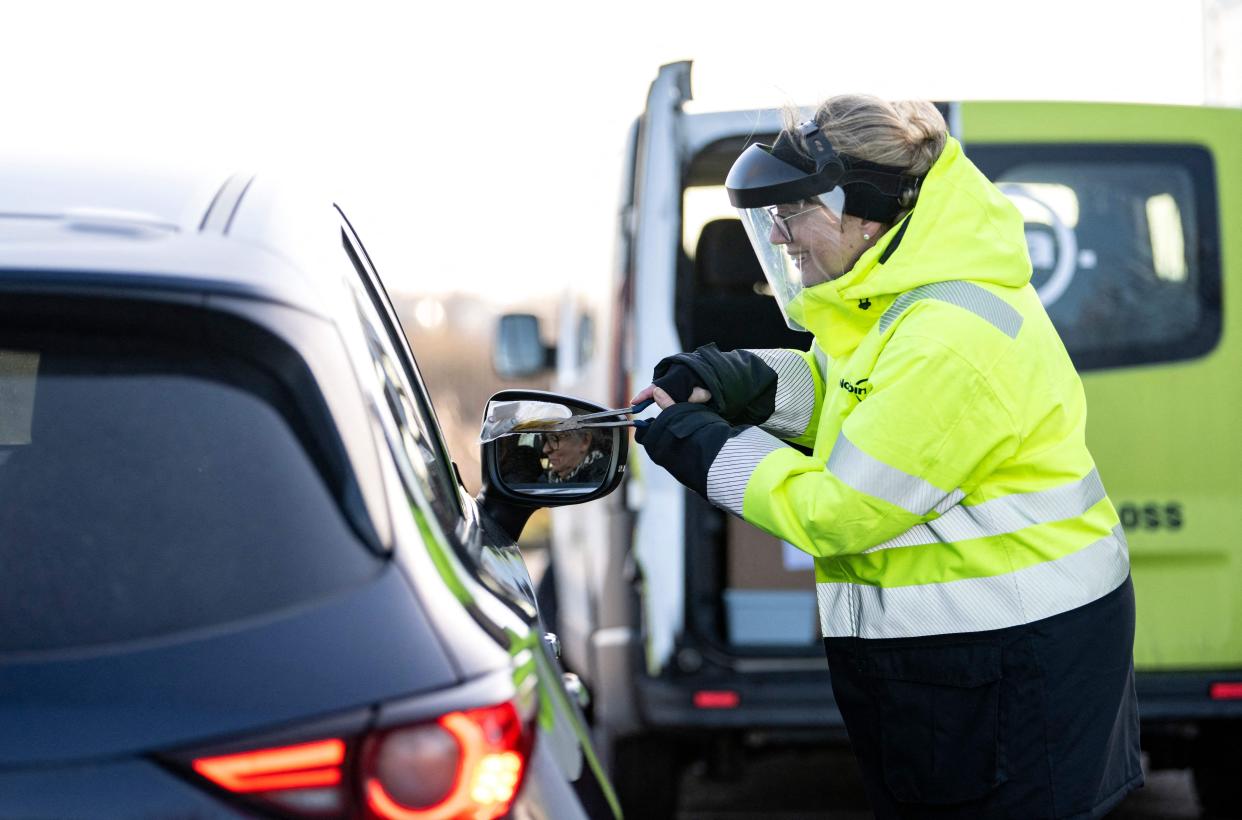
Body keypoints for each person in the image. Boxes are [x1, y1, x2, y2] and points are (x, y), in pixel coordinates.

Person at [632, 96, 1141, 819]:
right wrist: (738, 378)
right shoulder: (903, 300)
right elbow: (856, 397)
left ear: (866, 212)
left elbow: (840, 511)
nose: (778, 232)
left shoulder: (948, 338)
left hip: (1011, 665)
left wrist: (706, 448)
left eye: (794, 208)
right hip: (971, 661)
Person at [539, 429, 608, 485]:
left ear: (585, 441)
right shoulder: (546, 478)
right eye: (545, 439)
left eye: (554, 439)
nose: (545, 449)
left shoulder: (601, 478)